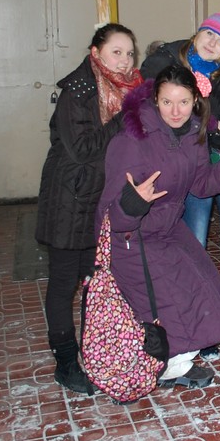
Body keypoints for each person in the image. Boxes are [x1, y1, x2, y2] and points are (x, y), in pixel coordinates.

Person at [97, 65, 220, 389]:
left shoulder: (193, 134)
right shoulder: (132, 139)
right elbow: (110, 214)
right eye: (167, 102)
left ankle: (173, 358)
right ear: (155, 100)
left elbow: (201, 184)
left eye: (183, 102)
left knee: (201, 287)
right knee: (168, 302)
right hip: (130, 235)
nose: (176, 112)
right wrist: (134, 202)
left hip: (167, 227)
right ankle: (165, 364)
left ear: (195, 101)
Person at [36, 23, 142, 395]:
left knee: (92, 281)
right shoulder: (78, 90)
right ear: (96, 52)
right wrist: (124, 117)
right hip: (70, 198)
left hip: (99, 197)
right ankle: (65, 361)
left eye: (130, 53)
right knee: (64, 282)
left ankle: (90, 351)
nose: (125, 60)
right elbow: (82, 149)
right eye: (117, 52)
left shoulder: (125, 88)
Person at [139, 13, 220, 357]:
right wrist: (209, 122)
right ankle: (186, 317)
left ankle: (217, 311)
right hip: (168, 166)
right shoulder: (165, 61)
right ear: (199, 32)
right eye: (210, 34)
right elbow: (149, 108)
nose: (213, 43)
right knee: (188, 243)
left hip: (208, 162)